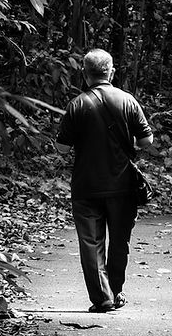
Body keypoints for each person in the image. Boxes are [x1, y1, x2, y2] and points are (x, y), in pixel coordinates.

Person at [56, 49, 154, 313]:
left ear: (85, 74)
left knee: (91, 242)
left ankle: (103, 298)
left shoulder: (77, 104)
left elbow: (62, 148)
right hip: (122, 185)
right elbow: (146, 141)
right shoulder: (127, 101)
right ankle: (117, 290)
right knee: (119, 241)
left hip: (86, 185)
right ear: (111, 72)